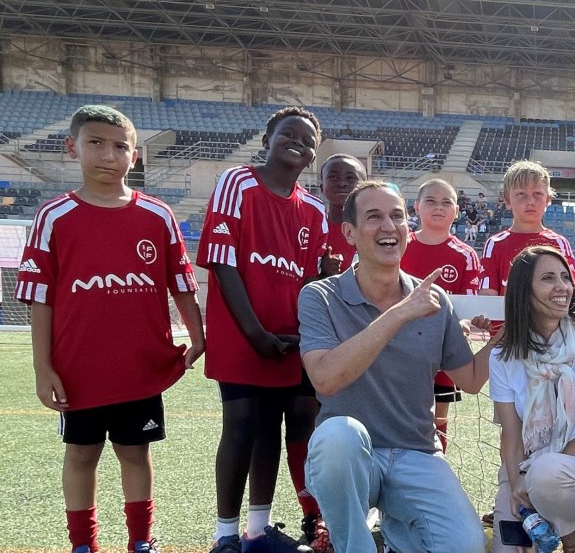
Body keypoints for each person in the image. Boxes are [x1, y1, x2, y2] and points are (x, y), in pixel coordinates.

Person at [16, 105, 204, 553]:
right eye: (96, 143)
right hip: (78, 370)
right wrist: (43, 367)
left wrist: (198, 336)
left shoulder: (157, 215)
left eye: (120, 146)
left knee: (136, 453)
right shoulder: (54, 216)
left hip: (138, 367)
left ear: (134, 156)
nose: (108, 155)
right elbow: (41, 297)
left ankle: (141, 541)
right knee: (81, 454)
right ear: (72, 147)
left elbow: (181, 283)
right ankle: (83, 545)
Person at [298, 181, 497, 553]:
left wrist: (509, 335)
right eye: (374, 217)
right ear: (350, 233)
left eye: (397, 216)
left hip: (416, 453)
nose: (389, 226)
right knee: (337, 435)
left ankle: (401, 539)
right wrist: (399, 313)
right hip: (353, 458)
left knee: (465, 545)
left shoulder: (433, 300)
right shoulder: (320, 296)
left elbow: (469, 380)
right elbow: (325, 379)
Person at [199, 106, 335, 553]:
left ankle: (257, 531)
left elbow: (307, 280)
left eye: (308, 141)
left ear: (313, 155)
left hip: (288, 340)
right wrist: (255, 332)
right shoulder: (237, 183)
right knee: (240, 425)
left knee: (271, 430)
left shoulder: (313, 209)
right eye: (289, 134)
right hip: (243, 335)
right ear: (267, 140)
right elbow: (222, 260)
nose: (298, 142)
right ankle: (224, 534)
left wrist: (308, 316)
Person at [490, 246, 575, 553]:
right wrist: (518, 486)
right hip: (521, 472)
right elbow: (511, 436)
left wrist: (537, 473)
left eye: (565, 277)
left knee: (548, 471)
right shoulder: (502, 356)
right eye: (548, 278)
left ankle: (574, 546)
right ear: (524, 291)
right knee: (509, 549)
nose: (562, 287)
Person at [401, 178, 482, 452]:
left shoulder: (466, 254)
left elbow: (468, 305)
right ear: (416, 207)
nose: (438, 207)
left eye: (446, 202)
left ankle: (438, 461)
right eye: (431, 201)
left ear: (456, 211)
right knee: (400, 411)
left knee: (439, 417)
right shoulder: (400, 245)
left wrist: (461, 325)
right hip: (400, 346)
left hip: (443, 348)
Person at [479, 160, 575, 298]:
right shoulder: (494, 244)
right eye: (521, 194)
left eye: (537, 194)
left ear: (548, 199)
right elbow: (487, 297)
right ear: (507, 200)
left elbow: (570, 296)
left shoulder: (559, 244)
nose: (530, 201)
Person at [319, 153, 366, 273]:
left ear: (364, 187)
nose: (342, 184)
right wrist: (321, 271)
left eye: (350, 178)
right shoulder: (313, 229)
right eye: (333, 177)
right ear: (322, 187)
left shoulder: (375, 229)